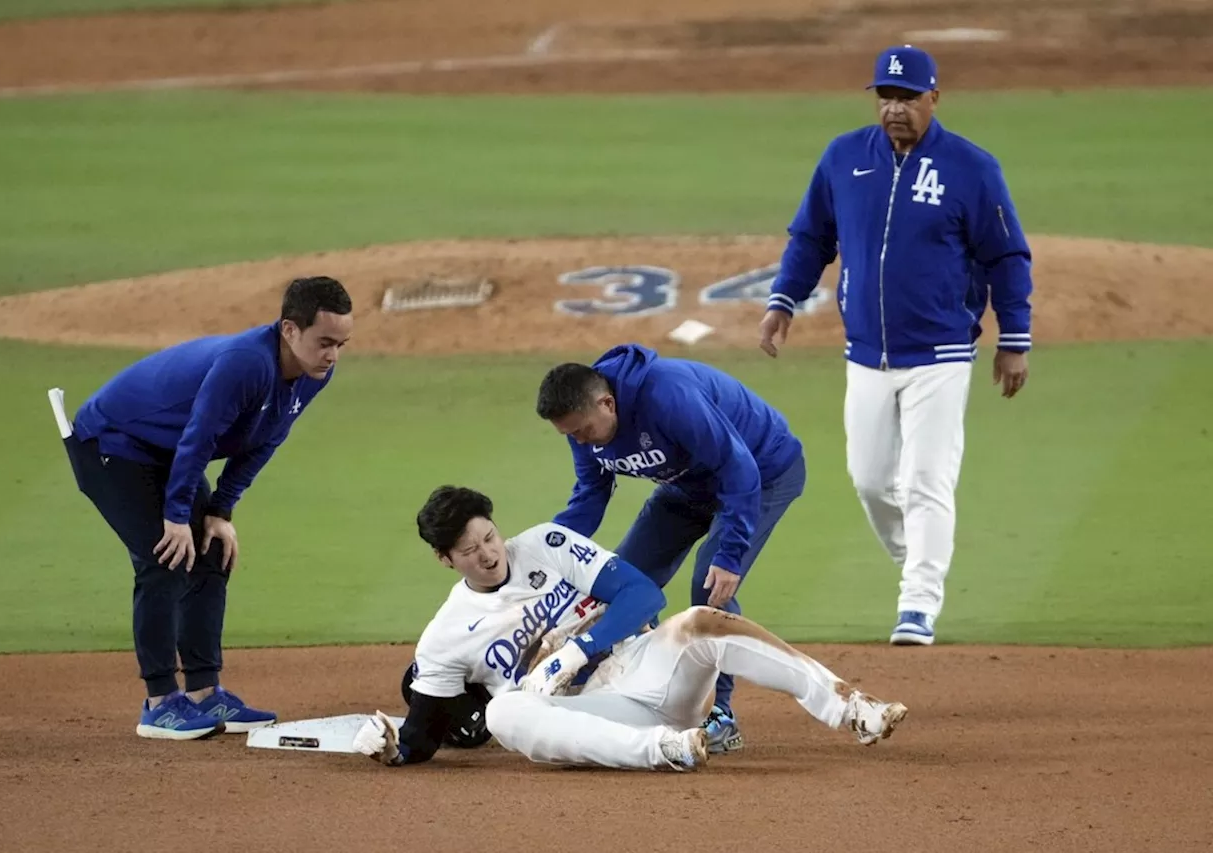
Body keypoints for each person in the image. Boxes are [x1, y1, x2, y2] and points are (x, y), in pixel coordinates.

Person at [758, 44, 1034, 646]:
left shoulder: (971, 168)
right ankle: (920, 554)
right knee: (870, 481)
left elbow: (1006, 256)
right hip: (865, 357)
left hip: (941, 355)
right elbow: (811, 237)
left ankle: (919, 603)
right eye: (886, 96)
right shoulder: (843, 158)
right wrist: (784, 300)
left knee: (927, 480)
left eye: (908, 97)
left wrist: (1014, 339)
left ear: (934, 98)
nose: (895, 109)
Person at [351, 485, 908, 771]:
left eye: (490, 537)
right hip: (582, 716)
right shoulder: (446, 635)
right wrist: (394, 748)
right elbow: (425, 731)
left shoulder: (546, 542)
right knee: (503, 712)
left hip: (642, 670)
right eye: (470, 551)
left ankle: (850, 708)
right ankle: (666, 750)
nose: (489, 554)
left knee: (700, 622)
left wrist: (571, 653)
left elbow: (644, 593)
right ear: (446, 560)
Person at [61, 276, 353, 739]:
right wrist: (176, 517)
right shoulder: (245, 365)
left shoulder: (313, 373)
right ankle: (159, 704)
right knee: (166, 559)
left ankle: (203, 692)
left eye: (341, 344)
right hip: (112, 441)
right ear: (290, 330)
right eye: (324, 342)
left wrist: (220, 511)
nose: (333, 355)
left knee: (212, 550)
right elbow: (200, 438)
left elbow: (266, 440)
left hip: (165, 451)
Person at [532, 343, 807, 754]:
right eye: (570, 435)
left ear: (607, 403)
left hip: (762, 473)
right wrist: (544, 552)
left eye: (582, 430)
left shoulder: (667, 395)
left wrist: (730, 554)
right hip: (687, 486)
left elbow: (739, 468)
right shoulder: (583, 424)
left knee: (708, 585)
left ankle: (721, 716)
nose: (579, 441)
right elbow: (590, 496)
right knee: (621, 585)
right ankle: (647, 687)